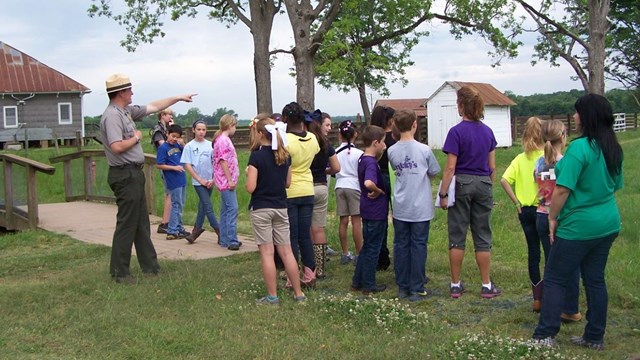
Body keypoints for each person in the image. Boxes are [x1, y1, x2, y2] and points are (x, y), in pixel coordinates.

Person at [533, 94, 623, 351]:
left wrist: (552, 218)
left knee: (555, 277)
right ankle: (594, 336)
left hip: (578, 227)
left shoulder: (580, 148)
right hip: (607, 223)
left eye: (577, 112)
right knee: (595, 279)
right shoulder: (613, 147)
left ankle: (545, 334)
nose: (574, 117)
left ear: (586, 117)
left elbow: (562, 190)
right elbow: (613, 186)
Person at [99, 73, 195, 284]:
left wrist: (178, 98)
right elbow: (116, 147)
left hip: (134, 173)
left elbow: (153, 106)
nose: (133, 93)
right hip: (124, 174)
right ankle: (120, 272)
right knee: (127, 223)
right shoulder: (112, 116)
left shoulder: (125, 111)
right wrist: (136, 137)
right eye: (130, 90)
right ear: (121, 92)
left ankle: (150, 267)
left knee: (141, 222)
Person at [438, 85, 501, 299]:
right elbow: (492, 167)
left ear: (461, 106)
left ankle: (455, 284)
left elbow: (450, 167)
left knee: (457, 235)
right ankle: (486, 284)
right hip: (483, 183)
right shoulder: (488, 131)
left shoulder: (456, 132)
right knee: (482, 234)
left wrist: (443, 194)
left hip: (462, 183)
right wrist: (487, 186)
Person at [246, 117, 306, 305]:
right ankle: (299, 293)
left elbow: (250, 187)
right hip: (281, 206)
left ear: (261, 134)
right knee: (287, 251)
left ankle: (272, 296)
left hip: (262, 207)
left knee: (267, 252)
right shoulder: (284, 155)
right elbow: (288, 183)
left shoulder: (256, 156)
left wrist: (249, 174)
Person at [387, 110, 440, 302]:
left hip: (401, 205)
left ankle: (403, 286)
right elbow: (434, 171)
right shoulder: (424, 150)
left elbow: (395, 169)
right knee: (418, 246)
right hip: (421, 206)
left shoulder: (391, 150)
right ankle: (417, 287)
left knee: (401, 245)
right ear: (414, 125)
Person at [534, 119, 581, 321]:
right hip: (560, 218)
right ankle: (570, 308)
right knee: (570, 264)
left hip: (541, 215)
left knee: (551, 262)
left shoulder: (538, 163)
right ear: (563, 136)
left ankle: (548, 302)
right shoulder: (566, 162)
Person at [499, 117, 544, 310]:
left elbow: (504, 180)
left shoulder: (519, 158)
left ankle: (537, 298)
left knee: (533, 253)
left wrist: (516, 202)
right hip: (543, 209)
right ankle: (553, 294)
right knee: (550, 252)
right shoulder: (547, 157)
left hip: (524, 210)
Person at [282, 102, 320, 288]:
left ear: (285, 119)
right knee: (305, 234)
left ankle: (292, 276)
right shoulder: (312, 138)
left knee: (292, 236)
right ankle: (310, 272)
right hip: (307, 188)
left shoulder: (285, 140)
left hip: (289, 190)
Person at [351, 125, 389, 295]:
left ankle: (357, 281)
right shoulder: (372, 163)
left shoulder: (362, 159)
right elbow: (368, 183)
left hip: (366, 209)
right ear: (375, 143)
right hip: (376, 211)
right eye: (383, 142)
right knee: (373, 248)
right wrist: (378, 190)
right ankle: (369, 284)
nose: (385, 146)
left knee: (367, 247)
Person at [307, 111, 340, 278]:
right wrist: (323, 170)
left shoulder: (305, 143)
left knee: (304, 229)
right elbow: (336, 168)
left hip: (304, 187)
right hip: (320, 186)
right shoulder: (326, 145)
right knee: (318, 228)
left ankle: (307, 265)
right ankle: (320, 268)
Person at [180, 119, 220, 244]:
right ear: (194, 130)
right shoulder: (189, 146)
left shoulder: (210, 145)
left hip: (210, 180)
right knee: (208, 207)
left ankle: (195, 231)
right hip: (199, 182)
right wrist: (200, 179)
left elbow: (216, 162)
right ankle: (220, 232)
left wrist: (213, 179)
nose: (201, 132)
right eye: (199, 129)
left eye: (203, 130)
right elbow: (187, 165)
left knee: (203, 206)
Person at [370, 105, 395, 271]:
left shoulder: (375, 138)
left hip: (377, 177)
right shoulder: (394, 139)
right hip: (392, 177)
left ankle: (381, 255)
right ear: (391, 121)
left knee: (380, 219)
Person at [334, 120, 364, 265]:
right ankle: (359, 253)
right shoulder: (359, 154)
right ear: (355, 135)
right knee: (356, 221)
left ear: (340, 135)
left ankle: (345, 252)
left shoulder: (335, 152)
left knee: (343, 220)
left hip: (340, 185)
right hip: (354, 186)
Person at [213, 114, 242, 251]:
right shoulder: (223, 140)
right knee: (232, 208)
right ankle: (232, 239)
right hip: (225, 181)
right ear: (230, 125)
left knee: (225, 210)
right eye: (234, 125)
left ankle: (224, 239)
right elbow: (223, 160)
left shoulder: (222, 139)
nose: (235, 128)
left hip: (224, 180)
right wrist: (230, 179)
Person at [156, 124, 190, 240]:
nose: (174, 139)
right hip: (173, 179)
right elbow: (159, 165)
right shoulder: (163, 148)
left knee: (181, 204)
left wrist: (182, 143)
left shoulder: (177, 146)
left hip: (182, 178)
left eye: (177, 137)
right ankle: (172, 230)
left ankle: (179, 228)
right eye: (173, 136)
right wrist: (174, 168)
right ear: (167, 134)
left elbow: (186, 153)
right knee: (176, 204)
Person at [150, 109, 174, 234]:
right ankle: (165, 223)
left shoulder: (167, 130)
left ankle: (168, 221)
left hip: (170, 164)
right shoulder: (158, 131)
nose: (170, 116)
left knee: (171, 193)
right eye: (169, 114)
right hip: (164, 164)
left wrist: (172, 129)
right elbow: (165, 146)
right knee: (169, 193)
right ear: (162, 115)